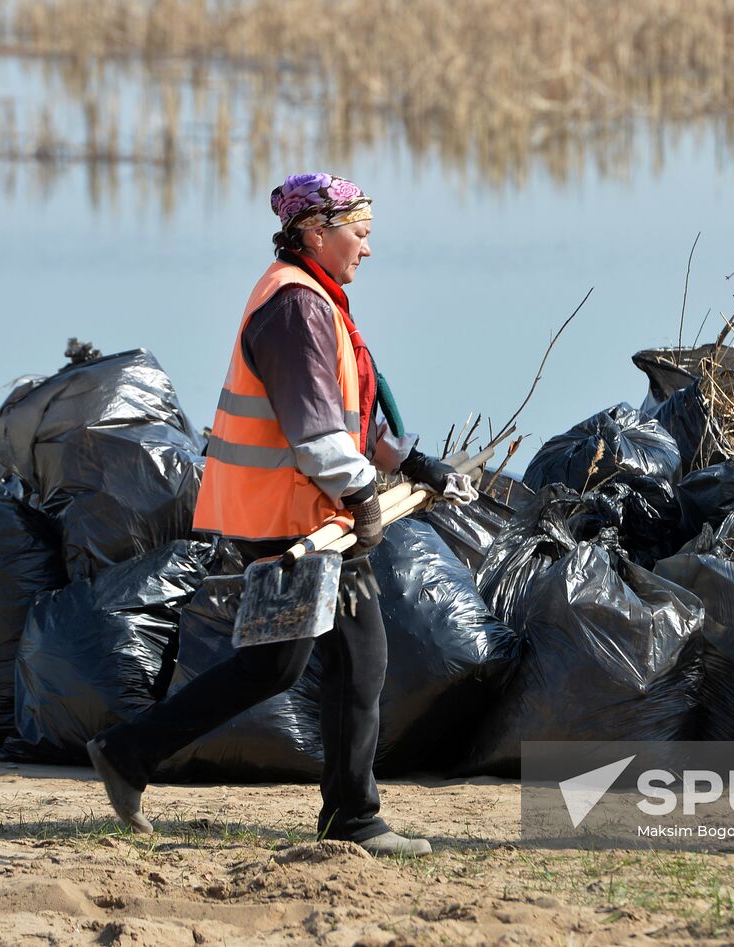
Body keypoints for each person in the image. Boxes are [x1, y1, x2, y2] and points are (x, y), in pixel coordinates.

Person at [86, 172, 474, 858]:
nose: (368, 248)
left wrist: (412, 464)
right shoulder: (296, 308)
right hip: (299, 517)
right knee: (354, 659)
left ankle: (130, 752)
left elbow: (354, 414)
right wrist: (361, 496)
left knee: (280, 666)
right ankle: (352, 818)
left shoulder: (314, 297)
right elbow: (315, 434)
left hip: (301, 511)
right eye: (360, 233)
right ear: (314, 231)